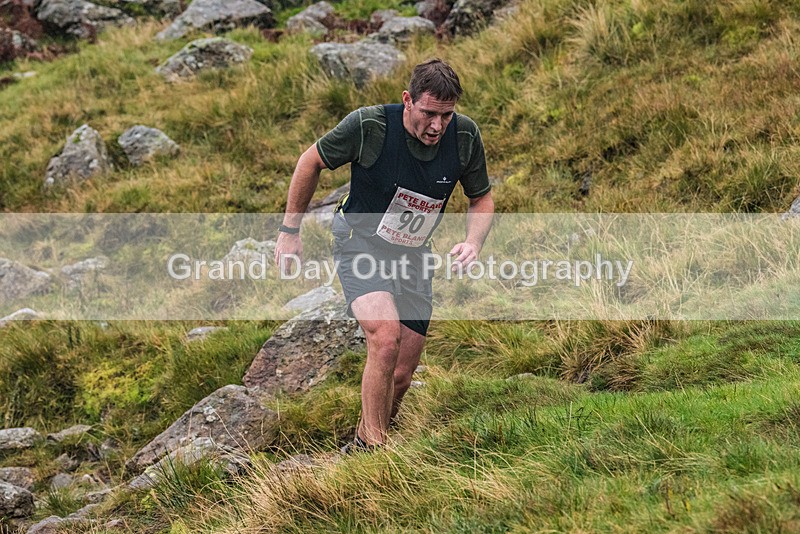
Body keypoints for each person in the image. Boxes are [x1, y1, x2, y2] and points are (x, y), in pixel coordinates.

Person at [274, 58, 494, 451]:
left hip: (413, 253)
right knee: (385, 337)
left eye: (446, 115)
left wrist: (473, 242)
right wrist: (290, 231)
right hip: (360, 242)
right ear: (408, 100)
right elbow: (310, 162)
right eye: (428, 113)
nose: (437, 126)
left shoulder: (464, 136)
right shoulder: (369, 126)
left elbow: (481, 198)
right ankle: (373, 451)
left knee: (402, 375)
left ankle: (363, 441)